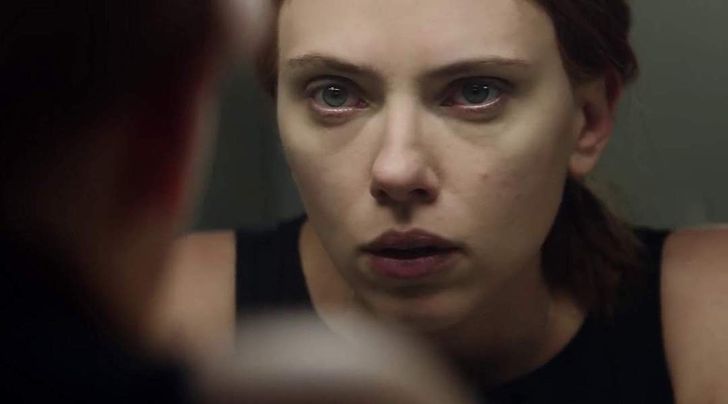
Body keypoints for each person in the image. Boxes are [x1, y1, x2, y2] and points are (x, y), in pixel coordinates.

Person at [153, 0, 728, 403]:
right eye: (334, 94)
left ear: (589, 120)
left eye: (477, 92)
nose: (396, 170)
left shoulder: (707, 307)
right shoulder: (170, 315)